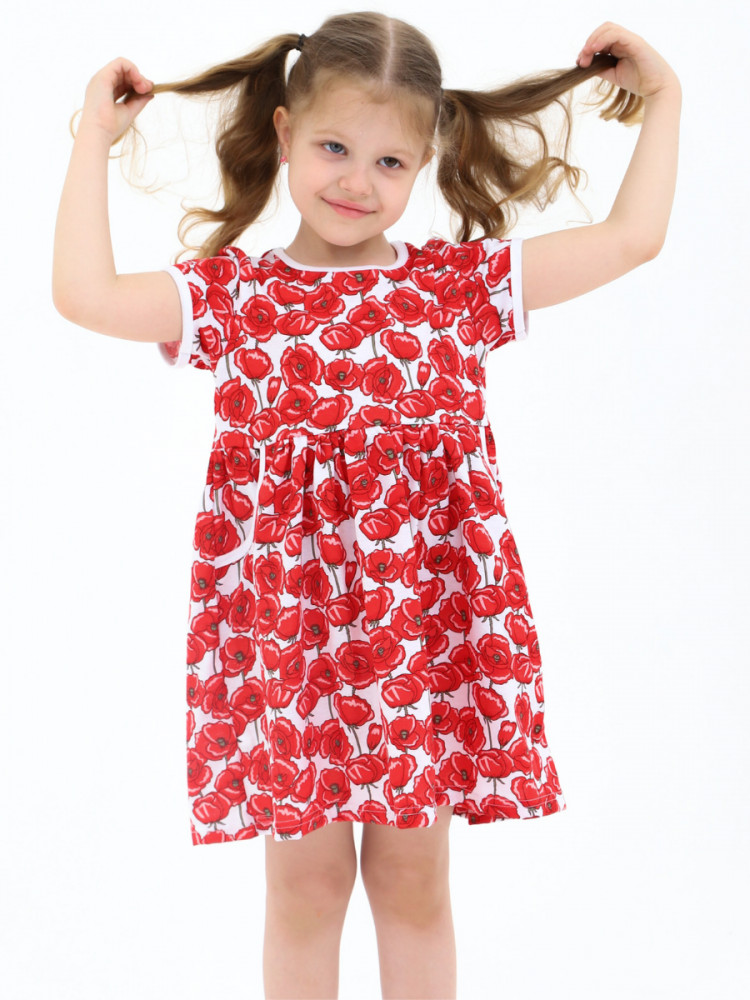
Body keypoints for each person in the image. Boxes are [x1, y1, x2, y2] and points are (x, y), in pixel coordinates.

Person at [52, 11, 680, 1000]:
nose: (357, 181)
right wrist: (93, 134)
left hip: (417, 642)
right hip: (291, 644)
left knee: (412, 882)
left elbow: (632, 239)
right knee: (305, 891)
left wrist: (666, 99)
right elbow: (83, 295)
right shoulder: (236, 299)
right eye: (335, 148)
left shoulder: (455, 290)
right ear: (286, 130)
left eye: (390, 161)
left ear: (426, 162)